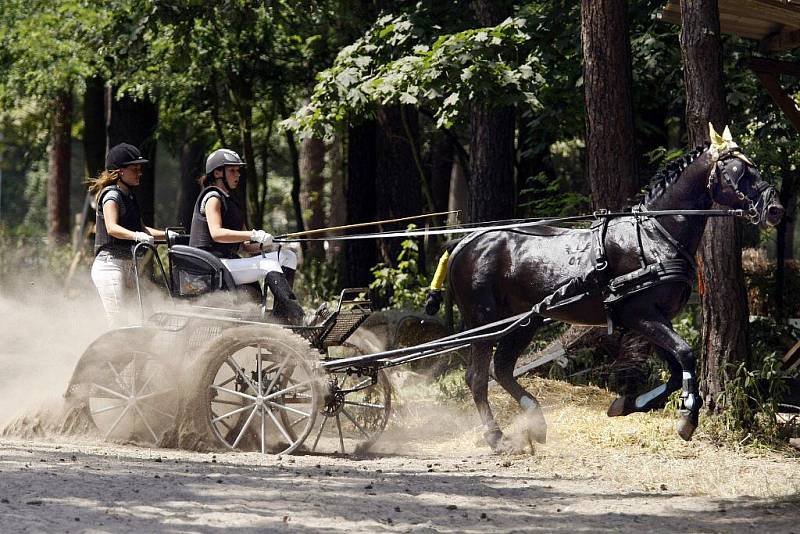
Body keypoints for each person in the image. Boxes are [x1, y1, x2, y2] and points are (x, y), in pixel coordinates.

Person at [189, 148, 304, 325]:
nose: (238, 175)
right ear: (218, 172)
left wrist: (269, 245)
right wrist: (253, 234)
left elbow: (245, 247)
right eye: (232, 170)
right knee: (268, 264)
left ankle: (281, 315)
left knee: (287, 256)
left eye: (238, 170)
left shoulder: (232, 202)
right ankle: (296, 316)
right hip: (212, 266)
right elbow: (217, 234)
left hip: (229, 263)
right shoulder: (212, 197)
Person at [89, 143, 165, 327]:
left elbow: (143, 229)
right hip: (110, 267)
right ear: (120, 171)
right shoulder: (111, 196)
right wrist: (137, 236)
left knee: (144, 316)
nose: (139, 173)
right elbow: (112, 228)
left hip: (127, 266)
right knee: (119, 323)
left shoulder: (128, 196)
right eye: (134, 169)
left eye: (139, 169)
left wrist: (168, 236)